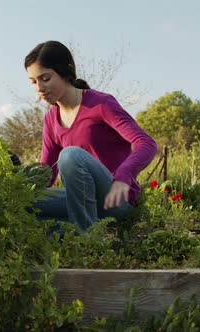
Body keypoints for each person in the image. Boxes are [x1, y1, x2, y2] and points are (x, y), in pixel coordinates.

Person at [25, 41, 157, 231]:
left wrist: (123, 176)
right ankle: (78, 232)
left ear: (64, 72)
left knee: (70, 155)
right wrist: (19, 183)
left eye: (45, 78)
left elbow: (146, 143)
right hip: (82, 201)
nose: (39, 88)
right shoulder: (50, 119)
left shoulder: (100, 104)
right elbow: (46, 174)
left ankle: (88, 238)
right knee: (25, 203)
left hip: (115, 200)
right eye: (33, 81)